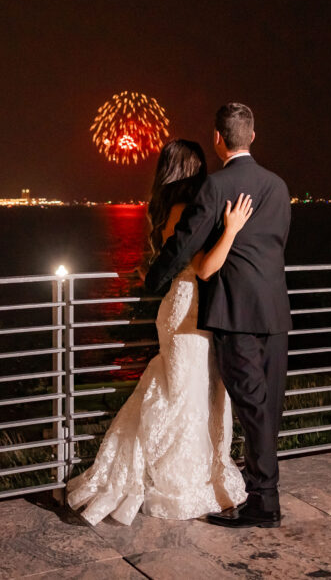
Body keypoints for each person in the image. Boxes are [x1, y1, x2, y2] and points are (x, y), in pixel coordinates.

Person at [66, 139, 254, 525]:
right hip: (187, 314)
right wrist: (232, 231)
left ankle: (197, 472)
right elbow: (203, 265)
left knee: (194, 393)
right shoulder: (186, 211)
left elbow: (170, 263)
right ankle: (179, 481)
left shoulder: (176, 208)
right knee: (186, 396)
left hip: (187, 310)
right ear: (192, 172)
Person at [145, 103, 291, 529]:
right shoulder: (278, 186)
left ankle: (265, 501)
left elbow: (184, 243)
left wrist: (155, 279)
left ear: (217, 138)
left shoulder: (215, 186)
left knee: (252, 408)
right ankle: (260, 485)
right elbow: (274, 245)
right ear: (253, 135)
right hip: (276, 313)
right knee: (269, 407)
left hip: (235, 314)